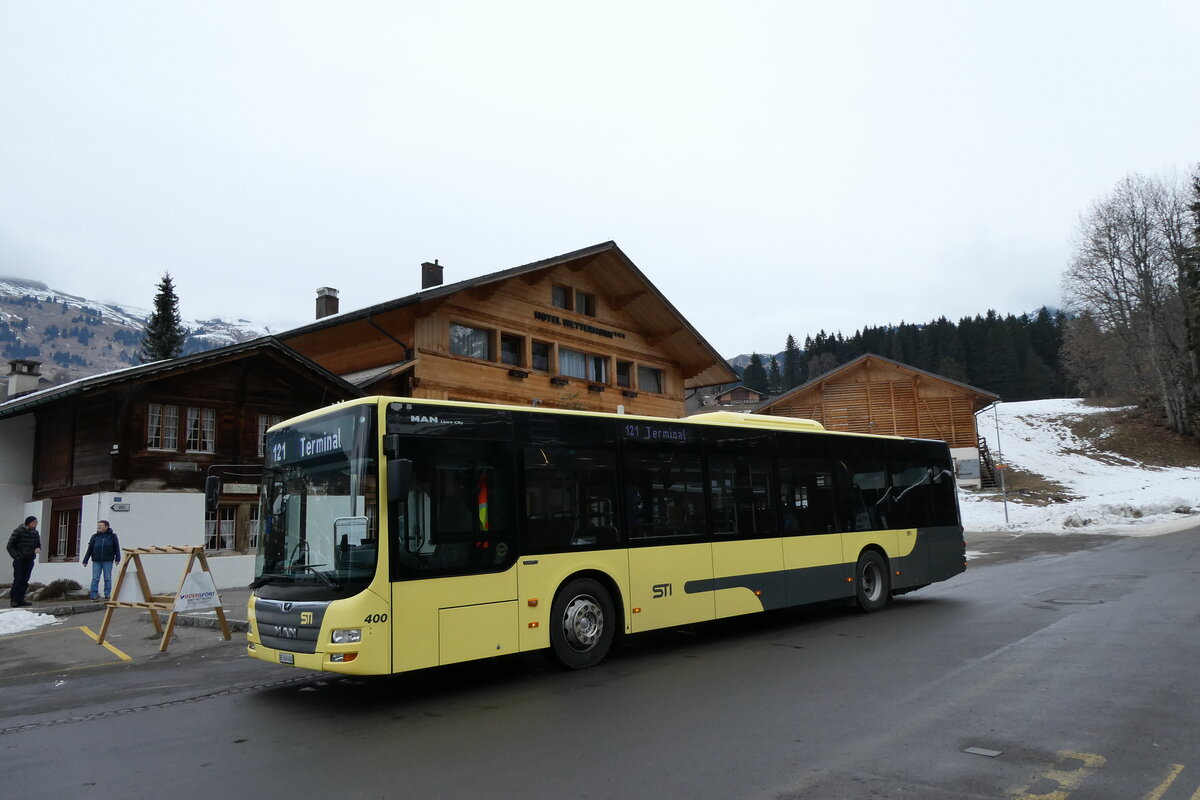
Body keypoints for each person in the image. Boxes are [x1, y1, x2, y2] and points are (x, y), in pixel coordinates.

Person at [82, 520, 121, 601]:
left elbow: (116, 547)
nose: (99, 527)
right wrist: (85, 560)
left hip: (108, 560)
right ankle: (94, 596)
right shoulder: (95, 537)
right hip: (96, 560)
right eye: (98, 525)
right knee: (95, 578)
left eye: (101, 525)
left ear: (106, 527)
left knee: (107, 578)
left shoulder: (112, 536)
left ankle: (107, 595)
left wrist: (118, 558)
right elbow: (90, 549)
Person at [7, 515, 41, 607]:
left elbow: (38, 543)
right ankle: (14, 600)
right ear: (28, 523)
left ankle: (21, 599)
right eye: (34, 522)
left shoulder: (35, 533)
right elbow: (10, 546)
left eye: (36, 522)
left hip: (29, 559)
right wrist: (16, 556)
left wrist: (38, 548)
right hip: (20, 560)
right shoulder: (18, 531)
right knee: (18, 579)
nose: (36, 524)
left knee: (25, 580)